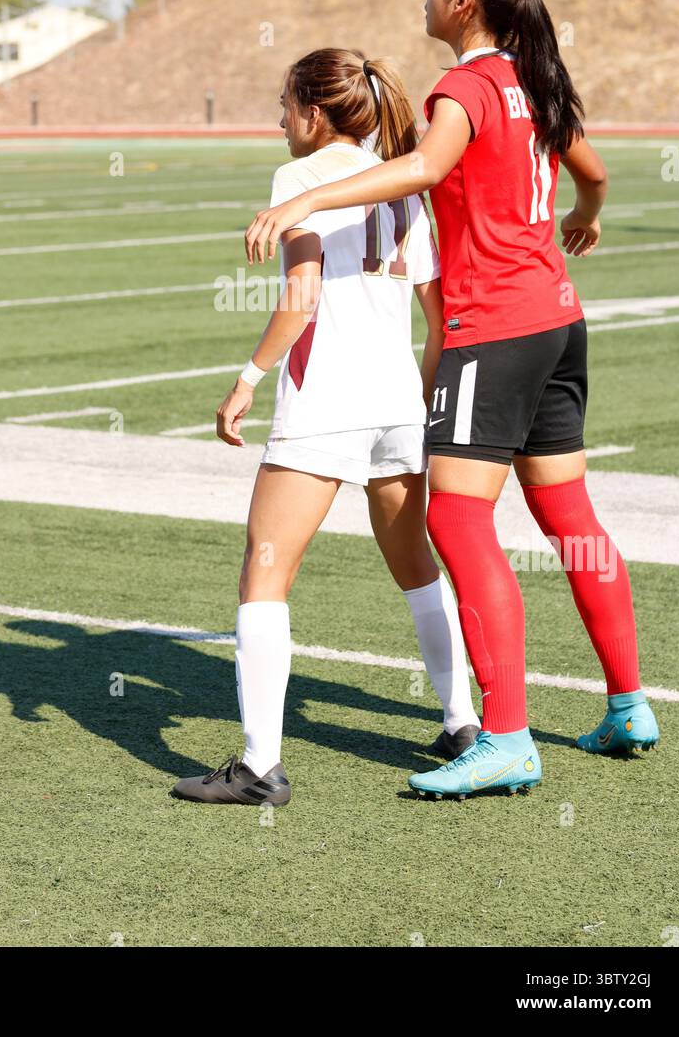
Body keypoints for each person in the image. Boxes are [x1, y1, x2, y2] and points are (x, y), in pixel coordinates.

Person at [245, 0, 659, 801]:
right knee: (569, 517)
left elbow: (429, 165)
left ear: (465, 1)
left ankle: (504, 736)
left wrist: (306, 197)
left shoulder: (464, 86)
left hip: (494, 330)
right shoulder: (536, 78)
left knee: (460, 524)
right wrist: (583, 215)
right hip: (558, 319)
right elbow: (596, 169)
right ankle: (628, 702)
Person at [172, 47, 480, 806]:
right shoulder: (406, 179)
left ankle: (258, 766)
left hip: (327, 403)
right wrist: (416, 400)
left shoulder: (299, 178)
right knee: (416, 566)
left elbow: (302, 295)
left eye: (285, 103)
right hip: (397, 401)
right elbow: (439, 319)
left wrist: (246, 379)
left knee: (264, 573)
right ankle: (462, 721)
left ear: (315, 113)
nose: (278, 118)